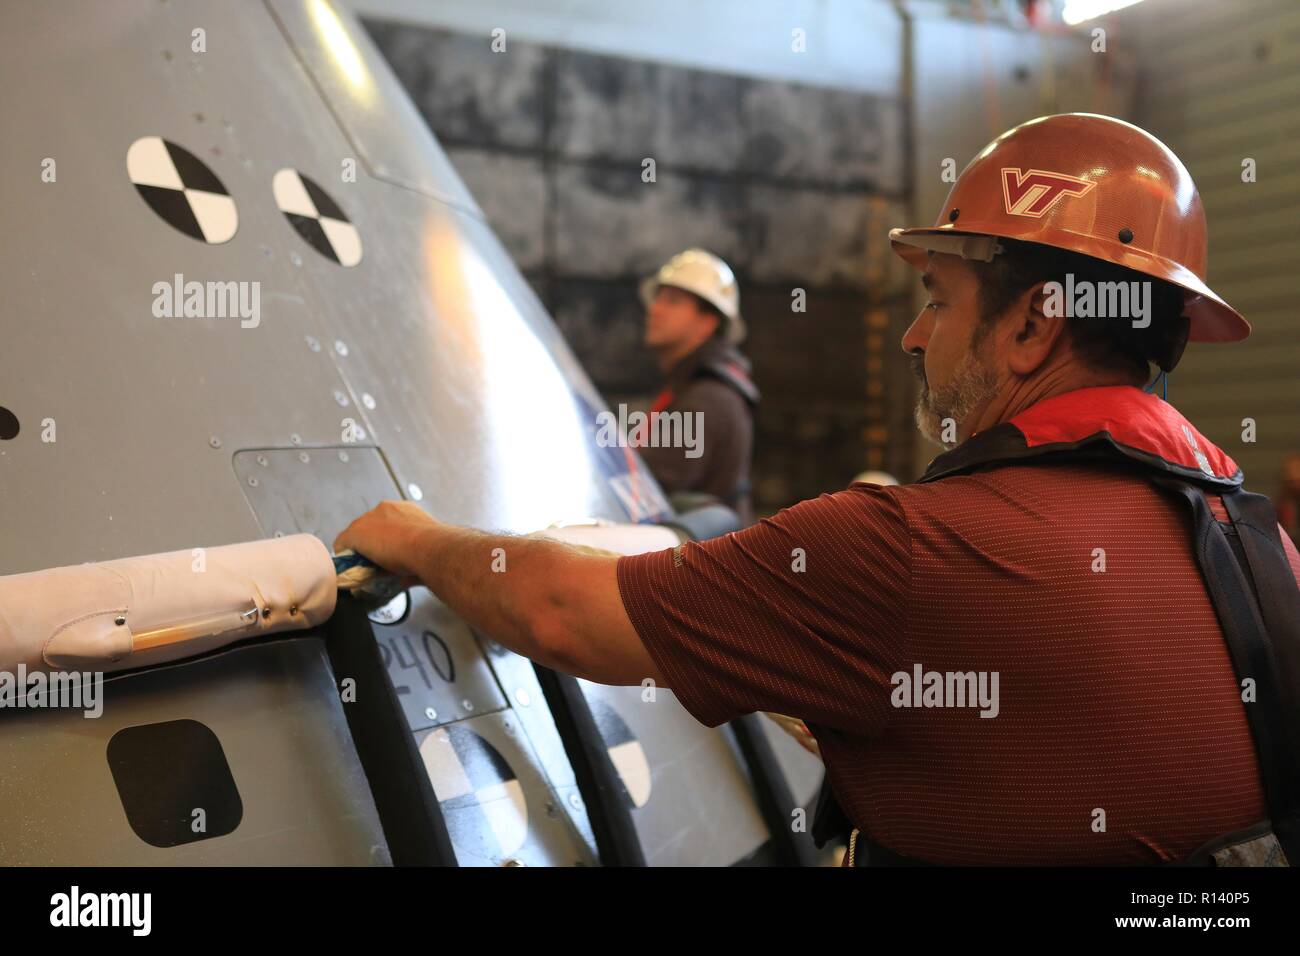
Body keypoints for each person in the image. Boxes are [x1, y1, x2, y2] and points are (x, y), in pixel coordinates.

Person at [337, 114, 1300, 866]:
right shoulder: (1263, 547)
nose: (916, 336)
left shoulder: (910, 552)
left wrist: (415, 537)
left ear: (1033, 328)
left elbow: (562, 614)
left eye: (938, 298)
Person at [635, 249, 759, 525]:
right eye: (658, 298)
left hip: (700, 562)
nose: (655, 309)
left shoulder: (707, 398)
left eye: (673, 301)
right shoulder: (695, 386)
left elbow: (646, 490)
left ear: (708, 321)